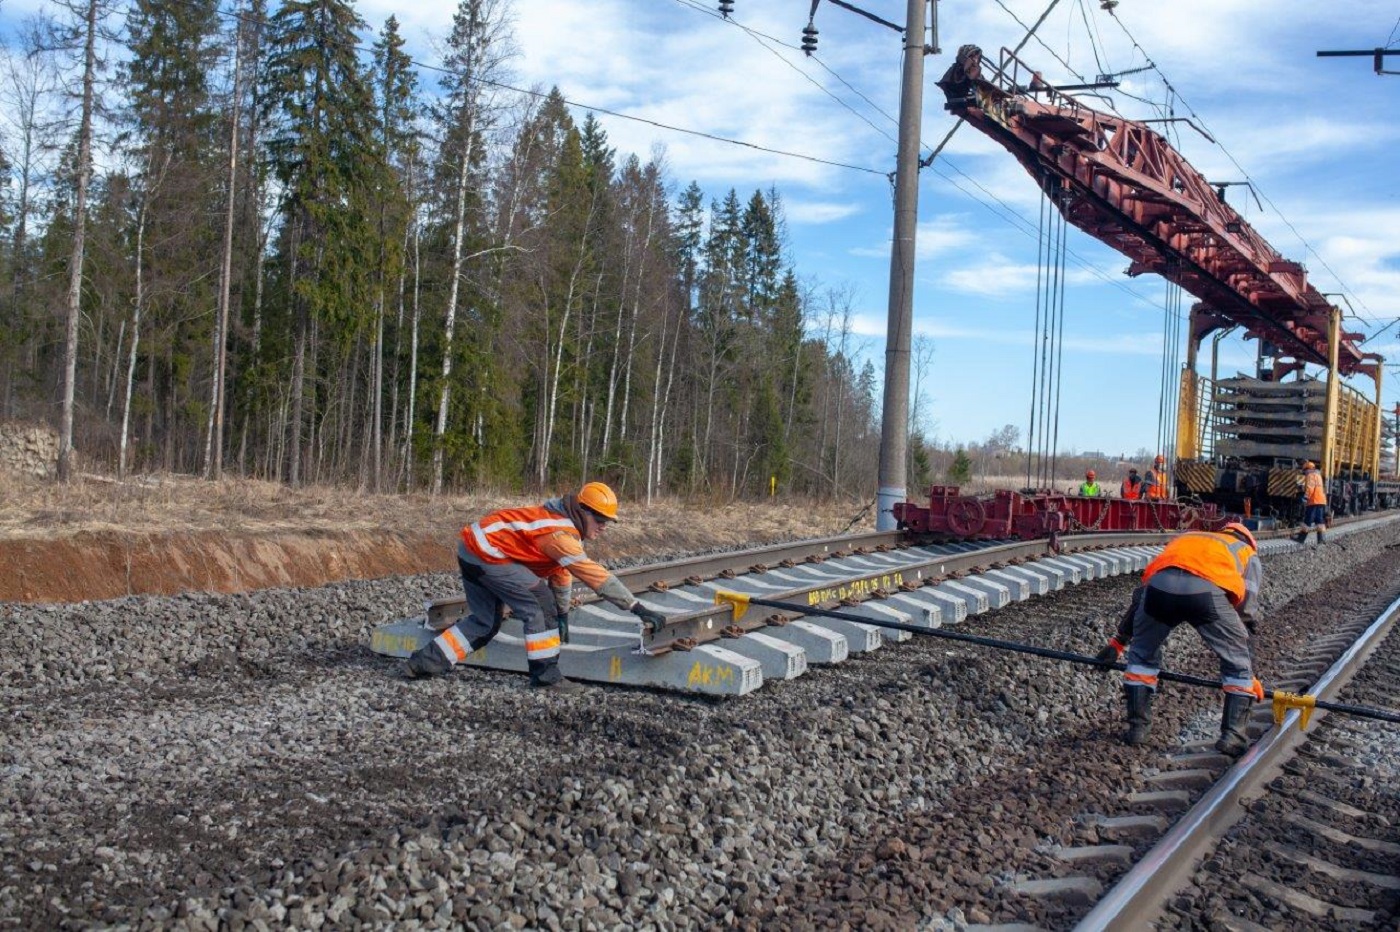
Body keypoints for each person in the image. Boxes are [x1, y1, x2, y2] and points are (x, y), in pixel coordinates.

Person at [405, 481, 667, 690]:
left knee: (485, 622)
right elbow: (595, 576)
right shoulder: (559, 535)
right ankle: (546, 676)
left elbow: (560, 572)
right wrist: (637, 607)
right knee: (540, 604)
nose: (603, 527)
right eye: (600, 520)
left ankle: (423, 662)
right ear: (583, 511)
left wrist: (562, 614)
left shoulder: (561, 523)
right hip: (489, 554)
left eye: (607, 522)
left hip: (471, 550)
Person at [1094, 521, 1264, 755]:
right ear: (1250, 541)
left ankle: (1137, 729)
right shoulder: (1247, 552)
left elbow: (1141, 597)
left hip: (1159, 591)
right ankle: (1233, 736)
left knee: (1141, 658)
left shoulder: (1191, 539)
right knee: (1237, 666)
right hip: (1204, 595)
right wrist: (1247, 671)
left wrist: (1117, 643)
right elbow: (1245, 612)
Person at [1295, 461, 1327, 545]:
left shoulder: (1310, 475)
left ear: (1307, 469)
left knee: (1308, 520)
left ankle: (1301, 539)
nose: (1304, 473)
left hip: (1313, 501)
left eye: (1304, 471)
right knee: (1319, 521)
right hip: (1321, 501)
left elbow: (1310, 488)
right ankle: (1321, 539)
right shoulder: (1318, 475)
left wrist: (1305, 498)